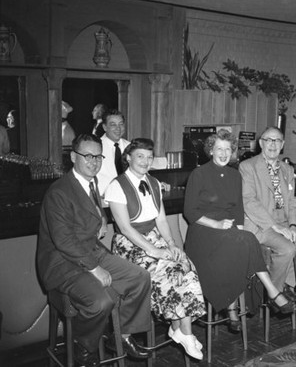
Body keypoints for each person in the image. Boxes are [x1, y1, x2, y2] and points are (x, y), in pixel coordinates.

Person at [37, 134, 152, 367]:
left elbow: (87, 209)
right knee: (101, 302)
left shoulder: (92, 182)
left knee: (140, 277)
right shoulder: (59, 191)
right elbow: (64, 241)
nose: (94, 162)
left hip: (89, 251)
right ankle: (84, 347)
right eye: (87, 156)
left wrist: (100, 217)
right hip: (63, 263)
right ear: (72, 157)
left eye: (98, 156)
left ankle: (122, 336)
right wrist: (94, 268)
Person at [184, 129, 296, 332]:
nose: (224, 153)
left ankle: (233, 308)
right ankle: (270, 293)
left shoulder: (235, 175)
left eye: (228, 149)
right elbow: (190, 212)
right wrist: (216, 225)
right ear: (211, 150)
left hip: (229, 231)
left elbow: (238, 208)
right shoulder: (198, 174)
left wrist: (240, 229)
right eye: (219, 149)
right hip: (203, 232)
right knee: (244, 242)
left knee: (244, 241)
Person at [105, 138, 206, 360]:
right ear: (128, 158)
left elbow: (161, 221)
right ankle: (183, 332)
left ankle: (181, 330)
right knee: (166, 273)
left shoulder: (153, 182)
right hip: (130, 245)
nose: (145, 161)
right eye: (140, 156)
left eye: (149, 157)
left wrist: (171, 245)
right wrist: (154, 250)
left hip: (155, 238)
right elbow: (124, 227)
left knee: (185, 267)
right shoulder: (116, 186)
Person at [239, 126, 296, 298]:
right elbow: (249, 201)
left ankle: (283, 284)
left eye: (277, 140)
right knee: (287, 249)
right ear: (261, 143)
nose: (272, 144)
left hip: (284, 223)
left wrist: (292, 225)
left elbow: (291, 202)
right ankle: (276, 294)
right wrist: (276, 227)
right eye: (268, 140)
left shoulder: (287, 169)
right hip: (260, 225)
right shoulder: (247, 167)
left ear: (282, 144)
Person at [97, 110, 130, 195]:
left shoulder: (130, 146)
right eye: (113, 125)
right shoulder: (96, 147)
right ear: (104, 127)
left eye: (121, 124)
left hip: (128, 196)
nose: (118, 128)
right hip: (104, 198)